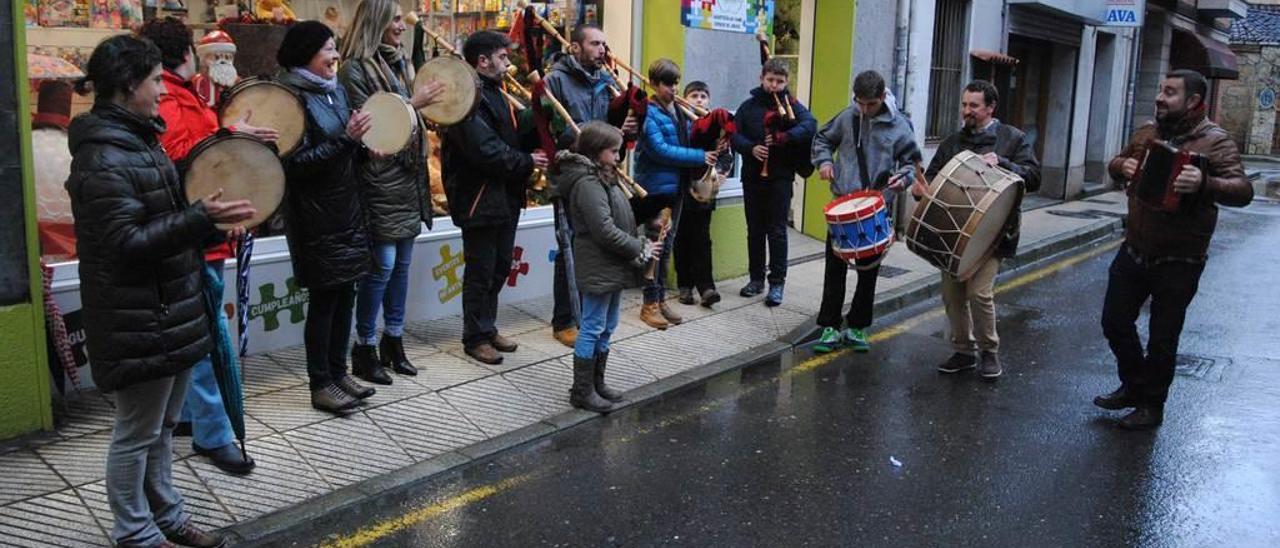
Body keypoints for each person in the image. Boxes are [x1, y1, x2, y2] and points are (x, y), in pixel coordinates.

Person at [66, 34, 251, 548]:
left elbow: (165, 211)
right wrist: (198, 219)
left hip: (166, 306)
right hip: (137, 313)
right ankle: (135, 531)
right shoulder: (102, 158)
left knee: (162, 427)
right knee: (137, 433)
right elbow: (125, 242)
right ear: (129, 86)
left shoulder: (139, 139)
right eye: (153, 81)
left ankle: (167, 517)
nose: (159, 90)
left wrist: (209, 222)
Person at [140, 16, 277, 475]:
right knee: (208, 336)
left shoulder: (187, 96)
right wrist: (229, 138)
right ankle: (215, 434)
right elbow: (189, 163)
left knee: (200, 332)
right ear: (187, 55)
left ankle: (197, 419)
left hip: (202, 230)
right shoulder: (176, 100)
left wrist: (228, 135)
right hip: (194, 232)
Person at [1094, 70, 1253, 429]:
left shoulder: (1216, 142)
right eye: (1160, 89)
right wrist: (1124, 165)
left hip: (1180, 260)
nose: (1160, 97)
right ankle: (1134, 386)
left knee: (1163, 338)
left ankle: (1152, 407)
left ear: (1193, 101)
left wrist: (1205, 182)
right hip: (1135, 248)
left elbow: (1243, 190)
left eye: (1170, 92)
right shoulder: (1148, 132)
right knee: (1114, 322)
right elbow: (1115, 163)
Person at [338, 0, 446, 385]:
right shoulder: (354, 68)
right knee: (381, 266)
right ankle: (364, 346)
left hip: (406, 176)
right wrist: (413, 104)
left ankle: (393, 340)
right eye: (396, 20)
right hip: (377, 176)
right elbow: (369, 121)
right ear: (378, 22)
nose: (403, 26)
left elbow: (409, 118)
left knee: (401, 265)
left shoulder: (402, 62)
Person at [276, 21, 376, 413]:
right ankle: (320, 382)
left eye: (335, 48)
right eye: (328, 50)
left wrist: (365, 148)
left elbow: (345, 149)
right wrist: (347, 140)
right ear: (305, 55)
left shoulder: (334, 90)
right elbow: (296, 164)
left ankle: (339, 372)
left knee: (346, 293)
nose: (335, 56)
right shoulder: (289, 96)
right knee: (324, 302)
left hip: (347, 210)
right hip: (314, 216)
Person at [922, 80, 1041, 381]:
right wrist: (922, 189)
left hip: (994, 233)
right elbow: (933, 176)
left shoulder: (1013, 138)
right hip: (954, 232)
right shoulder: (953, 142)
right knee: (951, 295)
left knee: (979, 293)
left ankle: (989, 351)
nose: (967, 111)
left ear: (990, 107)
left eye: (974, 106)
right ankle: (963, 351)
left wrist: (1002, 162)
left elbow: (1034, 177)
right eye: (964, 105)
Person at [441, 31, 548, 365]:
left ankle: (487, 327)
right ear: (483, 61)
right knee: (481, 270)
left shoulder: (496, 92)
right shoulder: (466, 98)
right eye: (503, 57)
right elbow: (485, 151)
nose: (507, 64)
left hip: (503, 195)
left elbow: (511, 136)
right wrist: (528, 162)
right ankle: (474, 337)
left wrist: (539, 111)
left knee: (500, 266)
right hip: (479, 197)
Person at [811, 70, 921, 353]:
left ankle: (857, 327)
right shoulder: (848, 117)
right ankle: (830, 327)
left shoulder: (900, 125)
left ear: (883, 97)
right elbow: (822, 139)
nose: (864, 109)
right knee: (834, 269)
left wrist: (904, 178)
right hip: (843, 206)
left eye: (870, 104)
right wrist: (824, 162)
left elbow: (911, 162)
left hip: (876, 207)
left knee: (868, 272)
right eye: (860, 102)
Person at [542, 24, 639, 347]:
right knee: (568, 244)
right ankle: (565, 319)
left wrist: (620, 129)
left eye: (604, 43)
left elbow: (609, 129)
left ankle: (588, 313)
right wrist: (598, 132)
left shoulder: (605, 79)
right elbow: (551, 131)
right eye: (595, 44)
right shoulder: (556, 79)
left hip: (601, 173)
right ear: (575, 47)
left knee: (594, 244)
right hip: (571, 173)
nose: (602, 49)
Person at [552, 122, 658, 412]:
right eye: (613, 151)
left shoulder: (603, 177)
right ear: (597, 152)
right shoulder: (587, 183)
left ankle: (597, 383)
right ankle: (582, 390)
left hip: (612, 263)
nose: (618, 157)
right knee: (592, 326)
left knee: (608, 325)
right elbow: (603, 229)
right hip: (599, 262)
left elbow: (618, 218)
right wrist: (638, 247)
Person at [632, 59, 718, 329]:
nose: (674, 88)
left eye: (676, 82)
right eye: (668, 84)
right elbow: (660, 150)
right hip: (656, 189)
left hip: (677, 187)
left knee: (666, 247)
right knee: (652, 245)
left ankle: (659, 298)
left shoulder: (678, 109)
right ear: (654, 85)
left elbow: (688, 137)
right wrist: (700, 156)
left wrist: (711, 131)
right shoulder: (649, 112)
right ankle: (648, 304)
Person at [731, 58, 817, 306]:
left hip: (780, 176)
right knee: (754, 230)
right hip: (752, 175)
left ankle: (776, 283)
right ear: (762, 78)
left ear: (786, 82)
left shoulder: (792, 105)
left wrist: (785, 136)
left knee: (777, 231)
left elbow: (811, 125)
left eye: (780, 81)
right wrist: (750, 148)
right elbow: (733, 134)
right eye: (770, 80)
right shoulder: (748, 107)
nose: (774, 86)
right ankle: (756, 279)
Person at [673, 80, 728, 308]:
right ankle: (684, 285)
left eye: (703, 96)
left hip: (704, 191)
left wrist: (721, 173)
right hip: (680, 189)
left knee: (702, 239)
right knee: (681, 238)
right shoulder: (678, 122)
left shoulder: (715, 125)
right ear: (685, 99)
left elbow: (725, 153)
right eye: (694, 95)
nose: (698, 100)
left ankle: (706, 287)